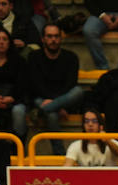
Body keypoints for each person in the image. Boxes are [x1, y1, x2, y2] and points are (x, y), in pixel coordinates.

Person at [25, 23, 82, 155]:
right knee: (51, 114)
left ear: (61, 38)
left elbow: (71, 84)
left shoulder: (71, 57)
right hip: (41, 97)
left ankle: (40, 112)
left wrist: (56, 102)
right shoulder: (34, 57)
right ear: (43, 39)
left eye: (56, 36)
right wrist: (56, 105)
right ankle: (60, 154)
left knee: (78, 92)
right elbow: (35, 84)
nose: (53, 40)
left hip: (64, 98)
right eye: (49, 36)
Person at [82, 0, 118, 71]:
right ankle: (102, 67)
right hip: (99, 15)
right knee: (88, 30)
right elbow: (88, 2)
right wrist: (102, 15)